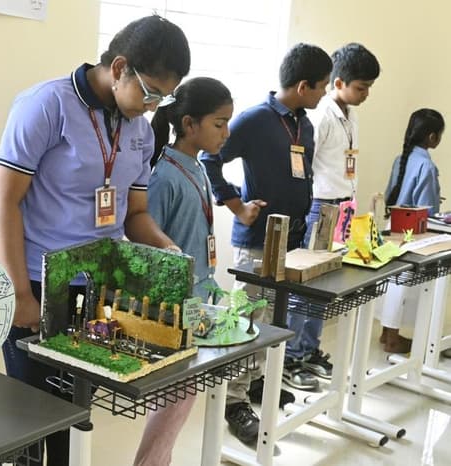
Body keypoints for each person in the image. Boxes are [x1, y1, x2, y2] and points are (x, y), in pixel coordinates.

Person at [0, 15, 189, 465]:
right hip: (38, 282)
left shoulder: (139, 126)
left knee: (73, 409)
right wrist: (20, 291)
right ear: (119, 67)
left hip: (96, 289)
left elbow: (135, 214)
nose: (155, 106)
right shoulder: (46, 104)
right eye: (151, 91)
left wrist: (165, 248)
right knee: (29, 416)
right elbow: (4, 201)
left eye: (165, 96)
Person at [200, 43, 332, 445]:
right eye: (322, 86)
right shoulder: (257, 119)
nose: (324, 94)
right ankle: (233, 402)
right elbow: (211, 159)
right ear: (304, 85)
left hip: (290, 241)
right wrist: (237, 206)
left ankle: (257, 382)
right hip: (257, 242)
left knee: (271, 324)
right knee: (246, 322)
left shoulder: (302, 123)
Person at [137, 77, 232, 465]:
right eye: (219, 123)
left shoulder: (196, 166)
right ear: (189, 124)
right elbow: (146, 246)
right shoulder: (163, 176)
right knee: (177, 396)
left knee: (182, 395)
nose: (226, 132)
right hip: (174, 304)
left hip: (199, 298)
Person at [286, 43, 380, 383]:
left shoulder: (350, 115)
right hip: (320, 208)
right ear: (338, 82)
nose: (366, 93)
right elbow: (305, 166)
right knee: (306, 286)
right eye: (361, 87)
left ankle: (308, 350)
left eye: (369, 87)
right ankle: (291, 358)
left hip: (342, 207)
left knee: (324, 285)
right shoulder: (320, 115)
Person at [378, 109, 445, 353]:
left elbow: (390, 194)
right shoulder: (426, 165)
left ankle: (386, 334)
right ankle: (394, 339)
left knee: (391, 283)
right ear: (431, 137)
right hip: (412, 233)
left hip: (392, 227)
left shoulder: (401, 159)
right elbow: (428, 208)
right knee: (406, 286)